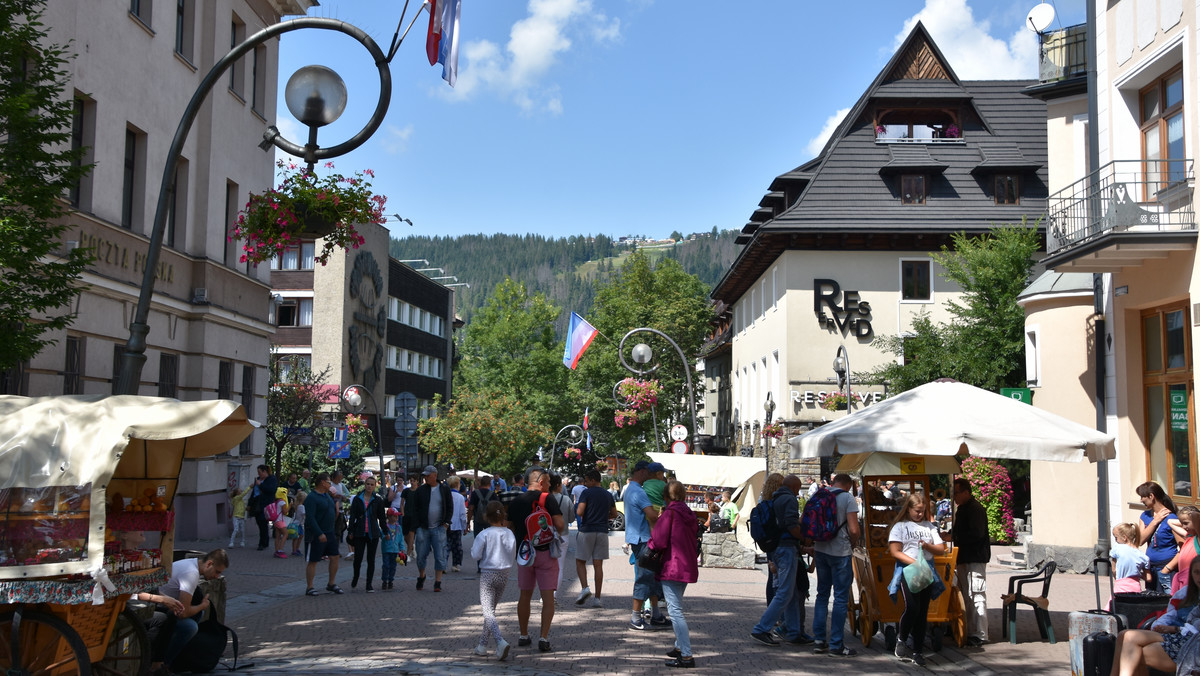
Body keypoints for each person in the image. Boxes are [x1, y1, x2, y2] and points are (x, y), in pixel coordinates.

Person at [506, 466, 565, 652]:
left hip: (524, 554)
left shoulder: (516, 501)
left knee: (524, 595)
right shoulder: (547, 499)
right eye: (547, 482)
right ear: (540, 482)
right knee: (547, 598)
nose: (549, 485)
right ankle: (544, 637)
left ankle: (523, 635)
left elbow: (508, 527)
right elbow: (560, 525)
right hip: (545, 552)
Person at [1110, 556, 1200, 676]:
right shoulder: (1186, 594)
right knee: (1124, 635)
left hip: (1189, 642)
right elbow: (1171, 614)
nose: (1199, 577)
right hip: (1176, 635)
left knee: (1133, 647)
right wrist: (1160, 625)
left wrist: (1174, 629)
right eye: (1197, 572)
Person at [143, 548, 227, 673]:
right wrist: (203, 605)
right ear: (209, 564)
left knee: (197, 616)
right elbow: (183, 613)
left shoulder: (191, 563)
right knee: (190, 627)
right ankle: (164, 664)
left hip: (163, 604)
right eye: (217, 572)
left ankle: (175, 657)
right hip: (156, 607)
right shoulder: (191, 573)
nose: (217, 576)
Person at [889, 492, 946, 667]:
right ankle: (902, 637)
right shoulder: (900, 526)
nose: (920, 514)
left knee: (922, 612)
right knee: (912, 607)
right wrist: (915, 562)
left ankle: (918, 651)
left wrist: (927, 546)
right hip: (909, 570)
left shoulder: (930, 527)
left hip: (926, 570)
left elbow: (941, 548)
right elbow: (895, 551)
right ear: (909, 509)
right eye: (917, 511)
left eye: (923, 511)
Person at [751, 474, 808, 648]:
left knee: (787, 592)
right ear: (794, 488)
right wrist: (804, 539)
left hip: (776, 548)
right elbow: (791, 525)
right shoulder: (788, 499)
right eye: (798, 489)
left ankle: (793, 631)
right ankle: (761, 628)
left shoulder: (775, 498)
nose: (798, 493)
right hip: (786, 548)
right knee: (784, 592)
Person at [649, 480, 700, 668]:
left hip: (672, 565)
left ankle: (686, 655)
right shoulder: (688, 512)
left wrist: (650, 545)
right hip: (686, 564)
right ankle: (679, 647)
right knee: (677, 605)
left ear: (666, 496)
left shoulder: (670, 513)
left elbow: (659, 541)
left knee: (675, 611)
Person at [811, 473, 860, 657]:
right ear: (848, 484)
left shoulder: (819, 494)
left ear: (833, 481)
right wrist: (853, 542)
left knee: (822, 594)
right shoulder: (847, 497)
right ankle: (836, 644)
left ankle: (818, 640)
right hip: (840, 552)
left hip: (820, 548)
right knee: (840, 598)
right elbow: (854, 529)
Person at [625, 460, 668, 630]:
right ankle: (635, 617)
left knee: (652, 577)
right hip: (643, 539)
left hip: (638, 537)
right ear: (642, 471)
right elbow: (651, 516)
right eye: (648, 473)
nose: (650, 477)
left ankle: (656, 614)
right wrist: (663, 516)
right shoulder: (639, 492)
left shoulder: (630, 489)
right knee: (644, 578)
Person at [472, 501, 516, 661]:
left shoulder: (484, 534)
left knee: (487, 611)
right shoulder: (509, 534)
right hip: (504, 574)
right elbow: (512, 554)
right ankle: (482, 645)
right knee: (490, 610)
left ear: (486, 517)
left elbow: (475, 555)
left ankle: (499, 641)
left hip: (488, 574)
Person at [949, 477, 990, 647]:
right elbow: (961, 530)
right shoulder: (963, 509)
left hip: (975, 557)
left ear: (966, 492)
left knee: (977, 594)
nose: (954, 497)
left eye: (956, 493)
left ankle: (980, 634)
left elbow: (976, 534)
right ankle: (968, 630)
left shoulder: (975, 509)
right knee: (966, 595)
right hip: (965, 557)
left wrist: (954, 536)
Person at [575, 469, 616, 608]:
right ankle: (597, 598)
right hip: (603, 531)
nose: (585, 483)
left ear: (593, 480)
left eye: (586, 480)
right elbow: (614, 513)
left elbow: (580, 511)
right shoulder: (607, 494)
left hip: (587, 530)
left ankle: (585, 588)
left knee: (580, 561)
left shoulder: (586, 493)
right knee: (598, 565)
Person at [412, 465, 452, 592]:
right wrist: (416, 525)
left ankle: (438, 582)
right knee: (420, 556)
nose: (425, 478)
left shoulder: (444, 489)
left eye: (428, 476)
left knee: (440, 555)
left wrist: (446, 523)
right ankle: (422, 575)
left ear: (434, 475)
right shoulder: (421, 490)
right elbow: (415, 508)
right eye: (424, 476)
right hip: (423, 528)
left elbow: (450, 507)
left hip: (439, 527)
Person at [1137, 481, 1181, 594]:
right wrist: (1155, 521)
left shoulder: (1172, 517)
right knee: (1152, 602)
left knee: (1167, 603)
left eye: (1142, 496)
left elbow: (1183, 546)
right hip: (1150, 568)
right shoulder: (1145, 516)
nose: (1141, 500)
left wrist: (1167, 568)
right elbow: (1140, 540)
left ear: (1151, 496)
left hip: (1166, 567)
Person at [304, 472, 344, 595]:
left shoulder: (327, 496)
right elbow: (310, 518)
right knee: (314, 560)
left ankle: (331, 583)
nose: (330, 484)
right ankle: (310, 587)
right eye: (328, 482)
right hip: (317, 533)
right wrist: (319, 533)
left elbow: (334, 508)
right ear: (322, 482)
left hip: (330, 531)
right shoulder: (311, 497)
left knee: (335, 556)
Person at [348, 472, 388, 592]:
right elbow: (353, 516)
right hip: (359, 533)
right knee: (358, 558)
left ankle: (368, 584)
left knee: (371, 560)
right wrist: (350, 531)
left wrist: (385, 532)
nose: (369, 486)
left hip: (373, 533)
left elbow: (381, 517)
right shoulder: (357, 499)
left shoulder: (378, 500)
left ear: (375, 486)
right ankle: (355, 577)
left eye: (372, 484)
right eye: (367, 484)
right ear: (364, 485)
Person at [549, 473, 573, 599]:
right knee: (559, 566)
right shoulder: (566, 499)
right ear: (558, 485)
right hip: (563, 534)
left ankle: (545, 593)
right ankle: (553, 595)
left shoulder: (544, 498)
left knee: (545, 566)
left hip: (546, 536)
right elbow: (572, 518)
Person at [1111, 523, 1150, 599]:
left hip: (1120, 586)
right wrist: (1137, 574)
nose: (1116, 541)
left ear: (1124, 537)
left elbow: (1114, 570)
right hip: (1135, 587)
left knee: (1116, 607)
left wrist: (1118, 579)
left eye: (1116, 538)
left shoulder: (1117, 548)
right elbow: (1148, 578)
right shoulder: (1143, 556)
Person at [1169, 507, 1200, 593]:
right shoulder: (1189, 537)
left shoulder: (1198, 539)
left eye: (1186, 523)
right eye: (1182, 523)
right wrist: (1185, 519)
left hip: (1193, 583)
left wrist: (1193, 517)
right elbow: (1170, 522)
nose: (1183, 526)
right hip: (1183, 583)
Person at [249, 464, 277, 551]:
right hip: (257, 503)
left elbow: (271, 490)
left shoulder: (271, 479)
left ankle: (263, 543)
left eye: (260, 472)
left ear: (264, 472)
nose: (259, 474)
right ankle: (264, 541)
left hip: (266, 505)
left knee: (263, 523)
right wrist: (249, 504)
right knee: (259, 523)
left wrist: (260, 485)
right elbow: (254, 492)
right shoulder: (257, 479)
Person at [448, 475, 468, 572]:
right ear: (457, 484)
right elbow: (462, 514)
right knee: (457, 546)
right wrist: (465, 526)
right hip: (457, 525)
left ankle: (442, 563)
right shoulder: (460, 497)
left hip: (446, 524)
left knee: (445, 545)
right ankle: (455, 564)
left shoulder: (446, 495)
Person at [381, 507, 404, 590]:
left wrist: (402, 548)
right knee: (386, 565)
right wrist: (384, 536)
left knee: (393, 566)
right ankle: (384, 580)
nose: (397, 518)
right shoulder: (385, 527)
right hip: (386, 550)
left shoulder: (399, 527)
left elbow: (401, 539)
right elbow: (382, 534)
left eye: (397, 516)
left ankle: (390, 580)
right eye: (395, 516)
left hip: (395, 550)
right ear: (389, 517)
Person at [267, 487, 291, 559]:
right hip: (280, 520)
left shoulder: (277, 501)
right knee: (285, 534)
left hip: (276, 520)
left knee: (277, 536)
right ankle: (280, 550)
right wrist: (290, 506)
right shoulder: (283, 502)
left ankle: (276, 550)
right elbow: (285, 511)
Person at [401, 475, 421, 556]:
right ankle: (412, 547)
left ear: (417, 481)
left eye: (414, 481)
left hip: (415, 516)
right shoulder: (406, 491)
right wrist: (403, 514)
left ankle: (408, 554)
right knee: (405, 535)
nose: (412, 482)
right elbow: (402, 503)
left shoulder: (419, 491)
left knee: (411, 534)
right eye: (411, 481)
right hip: (406, 515)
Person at [329, 470, 349, 548]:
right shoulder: (330, 484)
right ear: (334, 477)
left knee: (340, 528)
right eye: (338, 478)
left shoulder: (341, 485)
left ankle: (335, 548)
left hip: (340, 507)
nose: (340, 480)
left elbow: (347, 493)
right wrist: (333, 496)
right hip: (331, 507)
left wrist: (343, 497)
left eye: (341, 478)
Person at [228, 484, 251, 548]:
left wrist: (245, 508)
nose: (241, 492)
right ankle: (231, 542)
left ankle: (242, 541)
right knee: (236, 529)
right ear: (237, 493)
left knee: (242, 530)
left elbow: (241, 507)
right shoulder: (236, 498)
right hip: (236, 516)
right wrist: (249, 487)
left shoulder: (241, 500)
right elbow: (243, 494)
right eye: (240, 491)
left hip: (241, 517)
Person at [289, 491, 306, 557]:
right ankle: (295, 549)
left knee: (298, 536)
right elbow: (304, 514)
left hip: (296, 523)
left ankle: (295, 549)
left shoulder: (297, 505)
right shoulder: (301, 507)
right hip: (299, 524)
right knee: (298, 537)